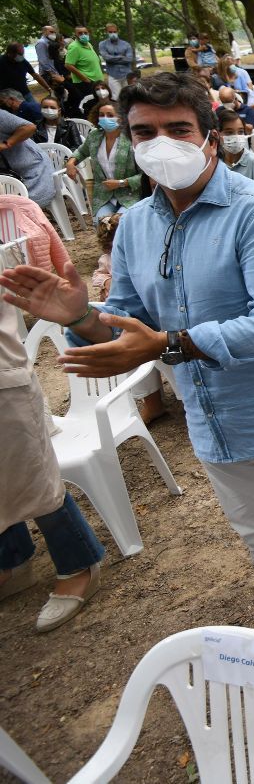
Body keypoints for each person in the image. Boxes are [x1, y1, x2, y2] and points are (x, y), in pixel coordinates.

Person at [0, 72, 254, 695]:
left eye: (177, 129)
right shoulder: (138, 227)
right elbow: (129, 319)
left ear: (208, 138)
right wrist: (81, 317)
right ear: (127, 138)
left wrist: (169, 346)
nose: (160, 144)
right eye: (143, 132)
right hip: (210, 413)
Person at [0, 201, 104, 633]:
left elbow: (33, 270)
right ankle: (13, 560)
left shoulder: (12, 210)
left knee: (32, 475)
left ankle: (78, 564)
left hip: (3, 378)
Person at [68, 99, 141, 221]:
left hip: (130, 194)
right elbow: (81, 151)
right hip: (103, 195)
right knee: (102, 225)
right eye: (101, 115)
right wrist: (71, 162)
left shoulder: (132, 138)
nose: (105, 118)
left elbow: (145, 175)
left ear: (121, 118)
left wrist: (121, 183)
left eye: (110, 115)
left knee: (122, 222)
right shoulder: (94, 136)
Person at [0, 106, 57, 207]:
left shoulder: (2, 116)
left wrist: (6, 144)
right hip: (8, 175)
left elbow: (29, 127)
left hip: (34, 173)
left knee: (18, 207)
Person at [216, 107, 254, 189]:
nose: (236, 136)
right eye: (229, 132)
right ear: (218, 134)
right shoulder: (214, 163)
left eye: (240, 132)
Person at [62, 27, 103, 118]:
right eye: (80, 33)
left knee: (98, 107)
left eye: (85, 33)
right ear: (76, 35)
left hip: (96, 82)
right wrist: (85, 78)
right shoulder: (74, 47)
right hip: (85, 84)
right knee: (91, 109)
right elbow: (68, 65)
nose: (83, 35)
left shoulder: (88, 44)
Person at [2, 43, 48, 108]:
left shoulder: (23, 61)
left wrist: (48, 89)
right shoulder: (1, 62)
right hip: (9, 96)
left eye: (22, 54)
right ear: (10, 53)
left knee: (36, 109)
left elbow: (35, 75)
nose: (22, 56)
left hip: (25, 92)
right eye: (20, 54)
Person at [98, 25, 134, 97]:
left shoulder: (126, 44)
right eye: (110, 32)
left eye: (114, 32)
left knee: (129, 96)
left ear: (118, 32)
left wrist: (112, 58)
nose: (113, 33)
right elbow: (106, 58)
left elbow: (129, 59)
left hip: (127, 74)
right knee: (116, 97)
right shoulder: (102, 44)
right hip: (113, 74)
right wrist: (122, 56)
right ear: (106, 32)